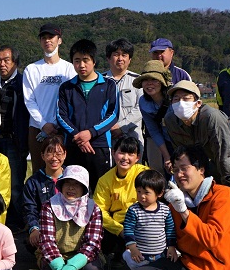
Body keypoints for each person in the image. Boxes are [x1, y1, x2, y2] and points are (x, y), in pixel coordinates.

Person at [36, 165, 104, 270]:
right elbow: (47, 241)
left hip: (82, 255)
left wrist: (72, 265)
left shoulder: (93, 208)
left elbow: (93, 243)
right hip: (57, 254)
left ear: (84, 188)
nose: (71, 188)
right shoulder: (49, 206)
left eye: (77, 184)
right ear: (61, 185)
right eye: (68, 183)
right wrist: (60, 266)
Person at [56, 38, 118, 189]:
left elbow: (113, 114)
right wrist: (79, 137)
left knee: (101, 190)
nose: (81, 65)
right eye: (77, 61)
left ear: (94, 61)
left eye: (86, 60)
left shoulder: (109, 85)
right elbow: (60, 116)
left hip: (100, 145)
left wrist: (90, 133)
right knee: (73, 190)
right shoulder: (66, 87)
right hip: (73, 145)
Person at [164, 80, 230, 193]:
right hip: (209, 162)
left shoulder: (212, 118)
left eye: (186, 98)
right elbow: (181, 152)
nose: (180, 103)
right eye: (176, 99)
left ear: (198, 103)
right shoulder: (170, 120)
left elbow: (223, 155)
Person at [121, 169, 176, 270]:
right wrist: (133, 248)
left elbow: (170, 229)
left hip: (159, 255)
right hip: (140, 254)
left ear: (159, 193)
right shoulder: (134, 210)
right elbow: (128, 230)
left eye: (146, 192)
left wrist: (171, 247)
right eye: (138, 192)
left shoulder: (165, 210)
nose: (142, 196)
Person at [22, 23, 76, 170]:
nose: (47, 41)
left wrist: (56, 123)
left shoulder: (69, 69)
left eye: (51, 37)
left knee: (63, 172)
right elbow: (29, 100)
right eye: (44, 38)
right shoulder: (31, 69)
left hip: (63, 127)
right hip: (38, 129)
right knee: (40, 172)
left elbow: (71, 100)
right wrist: (43, 124)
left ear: (59, 40)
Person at [92, 135, 150, 262]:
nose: (125, 158)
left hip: (141, 221)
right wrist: (120, 230)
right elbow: (99, 210)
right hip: (117, 225)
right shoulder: (105, 180)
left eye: (130, 154)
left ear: (137, 158)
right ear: (113, 153)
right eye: (121, 153)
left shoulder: (144, 173)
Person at [0, 45, 29, 233]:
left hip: (15, 141)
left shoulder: (24, 83)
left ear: (15, 62)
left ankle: (19, 221)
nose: (2, 64)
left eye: (6, 60)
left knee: (15, 184)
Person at [23, 135, 66, 250]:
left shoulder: (72, 178)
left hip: (69, 228)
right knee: (31, 242)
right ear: (42, 155)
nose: (54, 158)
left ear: (65, 155)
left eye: (58, 153)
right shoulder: (33, 182)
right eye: (49, 153)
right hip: (45, 227)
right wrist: (34, 228)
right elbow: (30, 209)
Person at [134, 60, 174, 174]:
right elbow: (154, 130)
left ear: (162, 82)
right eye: (145, 80)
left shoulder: (174, 98)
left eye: (154, 80)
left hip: (183, 142)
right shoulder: (143, 102)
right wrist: (166, 156)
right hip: (165, 143)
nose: (149, 83)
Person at [104, 38, 144, 151]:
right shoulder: (99, 81)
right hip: (106, 137)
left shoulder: (138, 81)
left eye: (124, 55)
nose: (120, 58)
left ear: (130, 59)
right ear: (108, 58)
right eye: (116, 54)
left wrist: (121, 127)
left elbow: (140, 108)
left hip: (132, 137)